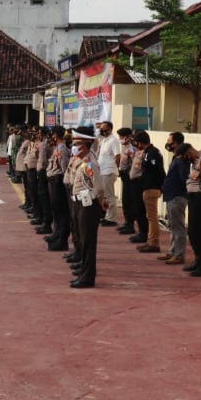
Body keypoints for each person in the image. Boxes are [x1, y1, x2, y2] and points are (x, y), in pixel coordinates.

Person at [67, 126, 108, 289]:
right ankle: (83, 272)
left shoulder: (90, 163)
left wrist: (101, 203)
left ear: (84, 146)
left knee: (88, 242)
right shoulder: (83, 161)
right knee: (83, 242)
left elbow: (98, 187)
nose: (74, 147)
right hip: (80, 203)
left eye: (76, 144)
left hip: (88, 206)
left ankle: (87, 278)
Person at [175, 142, 201, 277]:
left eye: (185, 157)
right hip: (194, 197)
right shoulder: (195, 161)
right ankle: (198, 259)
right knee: (192, 231)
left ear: (189, 153)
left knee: (200, 231)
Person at [158, 132, 189, 266]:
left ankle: (179, 254)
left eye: (170, 141)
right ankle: (172, 251)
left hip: (177, 196)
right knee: (172, 226)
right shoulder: (176, 157)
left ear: (176, 143)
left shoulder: (182, 159)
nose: (168, 143)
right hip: (171, 195)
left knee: (178, 227)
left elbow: (183, 178)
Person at [135, 130, 165, 253]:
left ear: (141, 143)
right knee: (151, 217)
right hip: (153, 187)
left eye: (137, 143)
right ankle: (151, 241)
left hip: (151, 188)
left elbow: (153, 170)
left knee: (152, 217)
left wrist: (142, 164)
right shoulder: (152, 152)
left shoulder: (150, 154)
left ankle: (153, 243)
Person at [95, 121, 121, 226]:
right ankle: (107, 216)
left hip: (109, 171)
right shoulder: (104, 139)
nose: (102, 131)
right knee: (103, 195)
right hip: (102, 171)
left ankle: (112, 219)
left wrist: (115, 168)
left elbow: (117, 156)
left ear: (110, 129)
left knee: (110, 196)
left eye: (104, 129)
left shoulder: (113, 140)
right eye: (101, 129)